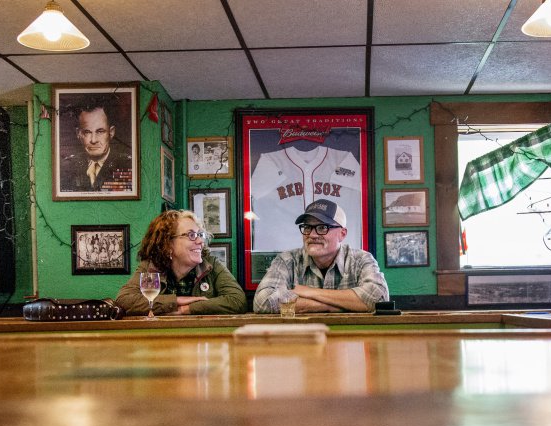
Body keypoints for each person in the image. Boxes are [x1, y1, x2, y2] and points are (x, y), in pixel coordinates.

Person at [253, 198, 389, 314]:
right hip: (303, 336)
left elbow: (379, 298)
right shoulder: (287, 260)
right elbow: (262, 302)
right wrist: (334, 306)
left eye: (322, 227)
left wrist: (309, 292)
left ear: (342, 234)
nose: (312, 235)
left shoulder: (361, 260)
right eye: (307, 227)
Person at [116, 210, 246, 315]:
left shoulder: (211, 265)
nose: (200, 241)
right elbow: (124, 300)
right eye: (191, 235)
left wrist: (186, 309)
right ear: (168, 243)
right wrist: (176, 301)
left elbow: (237, 300)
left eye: (200, 235)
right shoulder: (151, 267)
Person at [59, 99, 134, 192]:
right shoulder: (66, 167)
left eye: (100, 131)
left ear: (111, 132)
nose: (93, 140)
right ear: (78, 134)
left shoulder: (128, 165)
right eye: (87, 132)